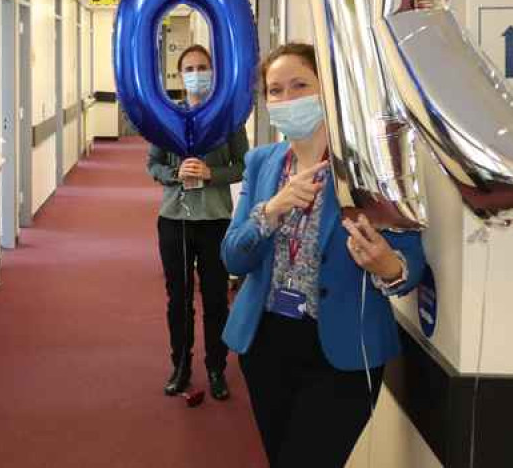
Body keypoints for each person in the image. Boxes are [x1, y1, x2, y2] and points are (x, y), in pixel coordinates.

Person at [221, 43, 426, 468]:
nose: (287, 99)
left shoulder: (369, 169)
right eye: (275, 90)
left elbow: (407, 268)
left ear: (327, 91)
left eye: (300, 85)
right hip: (265, 343)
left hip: (343, 352)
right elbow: (232, 258)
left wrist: (385, 265)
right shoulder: (261, 163)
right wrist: (271, 211)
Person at [147, 44, 250, 401]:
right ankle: (181, 366)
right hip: (174, 220)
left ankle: (216, 367)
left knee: (216, 299)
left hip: (216, 220)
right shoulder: (166, 117)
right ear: (180, 75)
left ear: (213, 71)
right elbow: (152, 166)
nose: (196, 73)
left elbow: (242, 164)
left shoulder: (229, 117)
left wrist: (211, 173)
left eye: (202, 66)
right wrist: (177, 173)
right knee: (178, 298)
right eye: (189, 68)